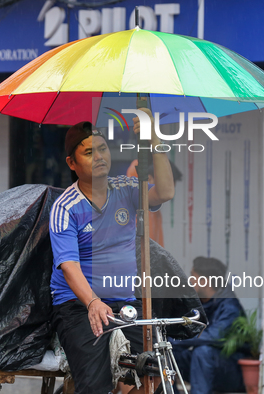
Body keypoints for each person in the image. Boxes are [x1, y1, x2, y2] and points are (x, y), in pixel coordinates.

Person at [49, 110, 175, 394]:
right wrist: (93, 302)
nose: (99, 156)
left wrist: (153, 137)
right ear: (71, 162)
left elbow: (165, 192)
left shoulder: (128, 189)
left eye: (103, 149)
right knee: (95, 385)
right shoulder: (65, 207)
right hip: (79, 306)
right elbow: (68, 265)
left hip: (125, 302)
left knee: (155, 373)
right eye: (89, 152)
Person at [171, 257, 248, 394]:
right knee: (168, 353)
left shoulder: (230, 307)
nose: (189, 281)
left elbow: (213, 336)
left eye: (192, 277)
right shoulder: (199, 303)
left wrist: (177, 339)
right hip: (206, 364)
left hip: (232, 371)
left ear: (204, 281)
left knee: (203, 351)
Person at [126, 159, 183, 247]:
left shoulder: (155, 211)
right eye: (166, 188)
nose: (168, 194)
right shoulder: (134, 207)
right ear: (149, 179)